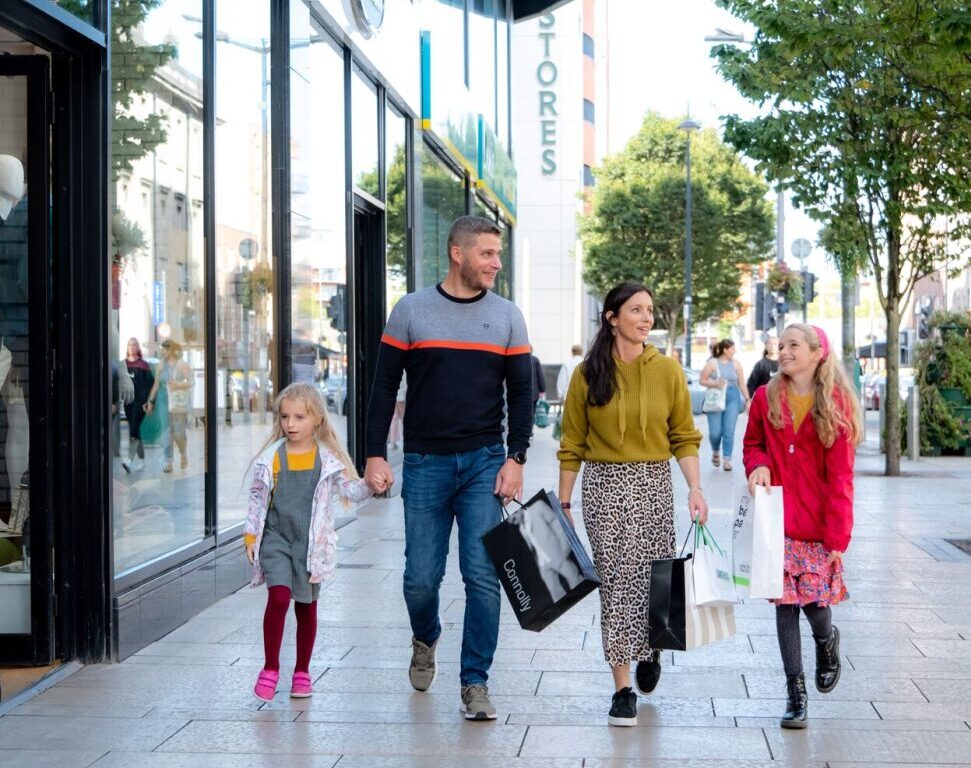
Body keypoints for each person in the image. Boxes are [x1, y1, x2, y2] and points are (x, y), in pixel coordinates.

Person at [363, 215, 533, 722]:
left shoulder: (507, 317)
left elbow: (522, 393)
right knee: (420, 579)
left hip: (484, 462)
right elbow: (382, 386)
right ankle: (426, 636)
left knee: (483, 576)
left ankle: (474, 681)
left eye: (497, 255)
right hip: (423, 462)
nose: (495, 264)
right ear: (457, 253)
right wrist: (374, 452)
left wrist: (516, 456)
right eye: (486, 254)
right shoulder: (411, 310)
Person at [557, 281, 707, 727]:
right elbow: (572, 443)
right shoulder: (588, 374)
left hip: (654, 485)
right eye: (636, 311)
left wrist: (695, 489)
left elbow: (684, 435)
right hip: (603, 487)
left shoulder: (668, 371)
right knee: (617, 583)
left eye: (649, 312)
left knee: (653, 577)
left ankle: (652, 646)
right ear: (612, 317)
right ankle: (622, 687)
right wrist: (564, 503)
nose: (646, 319)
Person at [743, 323, 861, 730]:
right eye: (782, 344)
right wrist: (757, 465)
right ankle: (795, 693)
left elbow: (842, 477)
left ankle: (827, 640)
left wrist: (838, 537)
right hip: (777, 521)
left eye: (793, 345)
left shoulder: (835, 404)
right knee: (785, 605)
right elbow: (752, 442)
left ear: (816, 354)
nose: (784, 350)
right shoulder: (764, 397)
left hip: (816, 525)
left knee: (814, 603)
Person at [243, 382, 372, 702]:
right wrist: (250, 535)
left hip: (310, 544)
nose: (290, 424)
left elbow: (350, 492)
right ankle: (270, 668)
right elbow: (258, 497)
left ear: (317, 419)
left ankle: (302, 671)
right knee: (279, 597)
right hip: (276, 539)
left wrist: (370, 483)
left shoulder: (326, 460)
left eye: (299, 417)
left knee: (306, 605)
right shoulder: (271, 458)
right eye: (285, 417)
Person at [700, 339, 749, 471]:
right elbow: (702, 380)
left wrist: (747, 399)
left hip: (733, 397)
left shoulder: (737, 364)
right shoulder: (712, 363)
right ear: (725, 350)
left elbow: (742, 384)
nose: (735, 351)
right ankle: (716, 451)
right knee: (715, 432)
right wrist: (714, 383)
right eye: (732, 349)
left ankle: (727, 459)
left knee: (729, 430)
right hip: (716, 397)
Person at [148, 339, 192, 472]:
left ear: (171, 350)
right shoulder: (160, 365)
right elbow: (156, 384)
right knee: (166, 432)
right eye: (162, 349)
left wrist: (178, 385)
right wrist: (150, 401)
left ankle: (183, 454)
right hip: (162, 399)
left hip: (178, 400)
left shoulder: (182, 364)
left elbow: (190, 382)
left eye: (164, 349)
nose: (162, 352)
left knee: (178, 433)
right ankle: (169, 462)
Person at [122, 338, 155, 473]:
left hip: (140, 403)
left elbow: (151, 384)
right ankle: (142, 461)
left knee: (134, 431)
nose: (132, 347)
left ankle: (129, 461)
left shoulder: (144, 365)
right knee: (136, 431)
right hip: (128, 403)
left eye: (135, 344)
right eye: (130, 344)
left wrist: (149, 402)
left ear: (138, 347)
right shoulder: (123, 364)